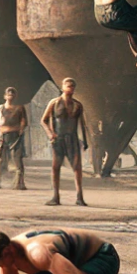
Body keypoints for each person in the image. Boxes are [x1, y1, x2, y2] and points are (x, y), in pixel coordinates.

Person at [42, 79, 90, 207]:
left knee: (77, 168)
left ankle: (80, 197)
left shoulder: (77, 105)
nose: (70, 88)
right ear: (62, 87)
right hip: (58, 139)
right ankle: (55, 196)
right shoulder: (55, 103)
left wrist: (85, 141)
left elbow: (82, 124)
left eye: (73, 86)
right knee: (56, 167)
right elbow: (44, 120)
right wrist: (50, 134)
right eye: (68, 86)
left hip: (73, 139)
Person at [0, 87, 29, 190]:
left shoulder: (19, 108)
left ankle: (20, 181)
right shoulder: (0, 108)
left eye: (12, 94)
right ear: (5, 96)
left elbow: (24, 121)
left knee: (17, 158)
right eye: (8, 94)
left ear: (15, 96)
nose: (10, 96)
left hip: (16, 136)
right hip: (3, 136)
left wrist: (21, 130)